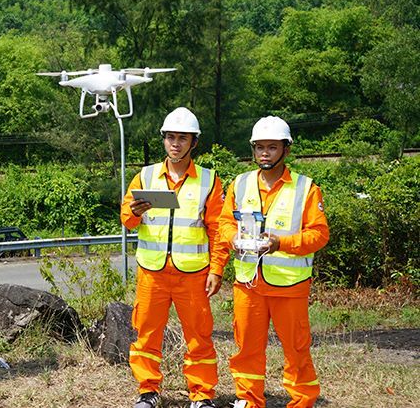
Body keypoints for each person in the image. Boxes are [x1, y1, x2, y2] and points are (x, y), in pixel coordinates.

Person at [121, 107, 227, 408]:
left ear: (194, 143)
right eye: (170, 138)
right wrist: (134, 212)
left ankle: (202, 394)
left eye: (182, 138)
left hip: (192, 274)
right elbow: (126, 218)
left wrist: (217, 269)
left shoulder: (208, 180)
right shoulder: (146, 175)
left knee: (199, 335)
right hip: (152, 272)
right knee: (146, 334)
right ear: (164, 140)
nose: (175, 144)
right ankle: (148, 392)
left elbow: (219, 229)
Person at [220, 116, 328, 408]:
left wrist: (281, 243)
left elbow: (319, 235)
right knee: (247, 349)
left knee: (296, 349)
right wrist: (233, 239)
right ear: (253, 150)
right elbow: (225, 223)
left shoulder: (306, 188)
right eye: (259, 147)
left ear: (286, 150)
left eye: (272, 147)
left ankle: (302, 401)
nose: (265, 153)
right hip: (248, 284)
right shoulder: (239, 184)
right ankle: (249, 400)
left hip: (289, 286)